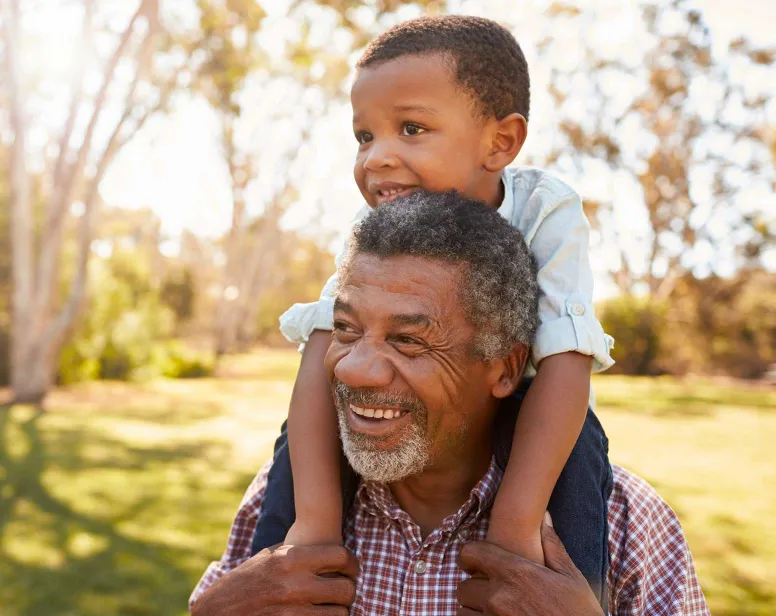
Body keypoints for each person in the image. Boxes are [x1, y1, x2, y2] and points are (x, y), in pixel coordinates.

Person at [189, 192, 708, 616]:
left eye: (408, 341)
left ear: (504, 367)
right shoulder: (283, 500)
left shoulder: (625, 525)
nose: (351, 368)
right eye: (345, 330)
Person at [253, 13, 616, 603]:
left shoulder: (545, 210)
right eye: (364, 136)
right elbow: (323, 346)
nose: (376, 159)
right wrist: (313, 523)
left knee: (582, 449)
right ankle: (273, 590)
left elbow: (567, 358)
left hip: (528, 407)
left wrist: (515, 527)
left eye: (412, 128)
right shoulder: (374, 230)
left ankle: (569, 594)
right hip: (410, 419)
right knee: (297, 439)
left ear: (500, 142)